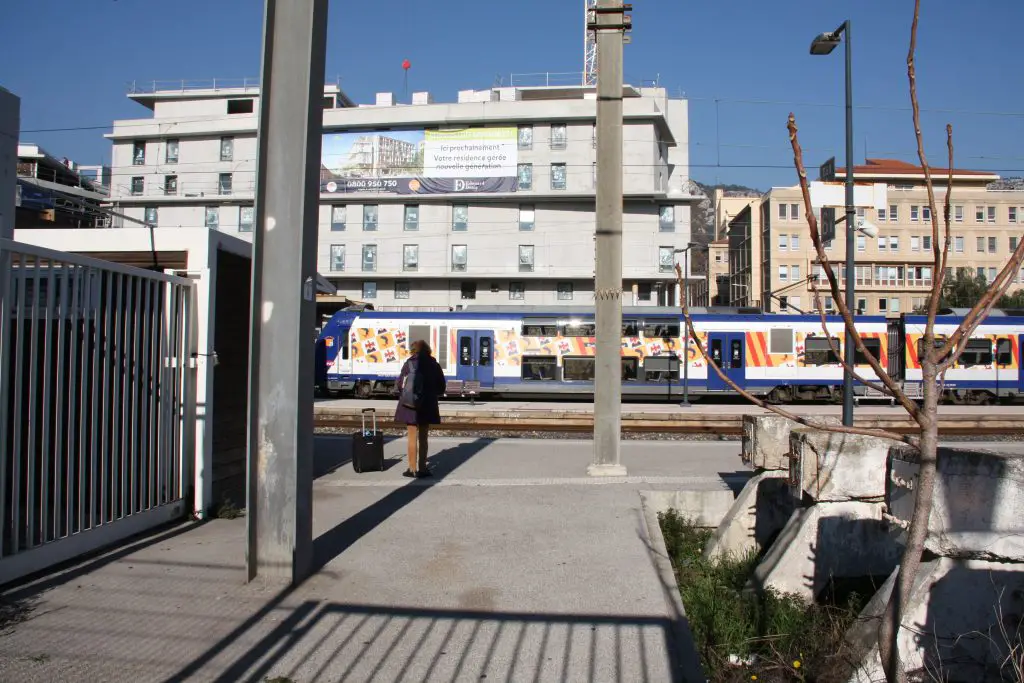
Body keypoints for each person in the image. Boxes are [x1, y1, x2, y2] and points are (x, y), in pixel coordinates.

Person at [395, 340, 446, 478]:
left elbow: (400, 384)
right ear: (428, 350)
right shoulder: (434, 365)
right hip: (427, 405)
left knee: (412, 437)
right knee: (423, 438)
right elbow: (441, 387)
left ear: (413, 350)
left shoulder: (409, 363)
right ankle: (423, 468)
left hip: (410, 405)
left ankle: (412, 469)